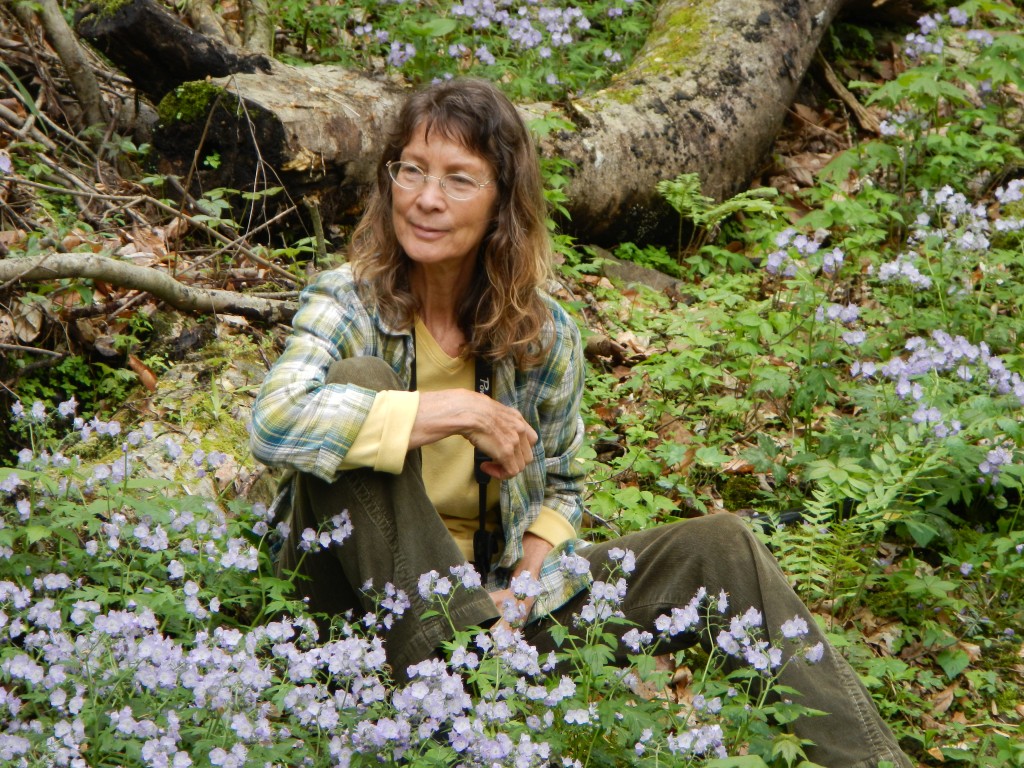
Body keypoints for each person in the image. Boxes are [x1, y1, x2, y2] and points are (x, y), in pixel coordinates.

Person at [250, 77, 911, 768]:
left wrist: (525, 592)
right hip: (352, 609)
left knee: (722, 547)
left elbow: (562, 488)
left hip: (494, 612)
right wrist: (456, 410)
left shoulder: (543, 334)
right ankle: (461, 685)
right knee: (361, 386)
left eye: (458, 179)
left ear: (502, 202)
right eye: (411, 170)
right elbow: (275, 422)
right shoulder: (348, 301)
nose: (426, 199)